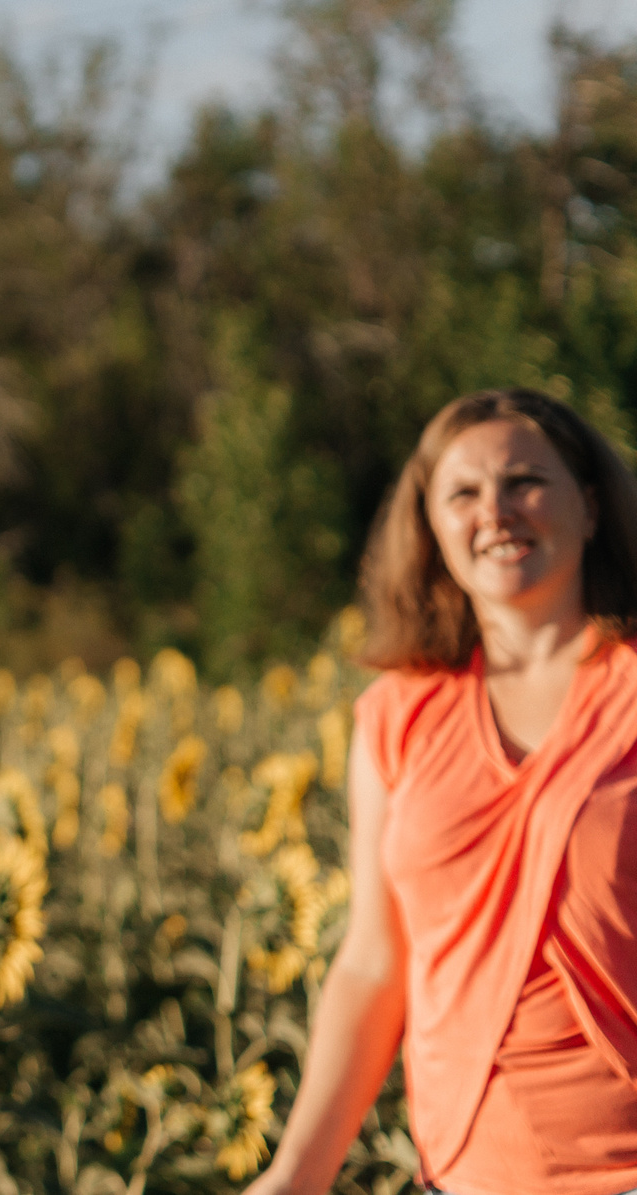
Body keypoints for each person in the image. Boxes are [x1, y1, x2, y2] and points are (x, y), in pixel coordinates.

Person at [248, 389, 637, 1195]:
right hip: (462, 1177)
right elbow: (372, 965)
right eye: (462, 492)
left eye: (526, 480)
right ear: (430, 528)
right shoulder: (398, 714)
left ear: (591, 506)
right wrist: (295, 1175)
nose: (496, 509)